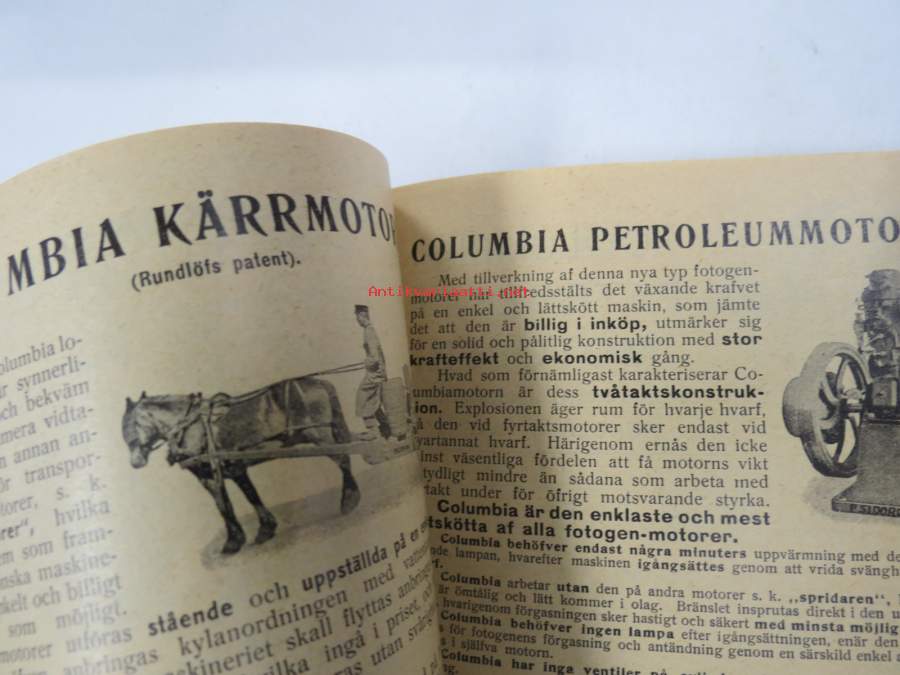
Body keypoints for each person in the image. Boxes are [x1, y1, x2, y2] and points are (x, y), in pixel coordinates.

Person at [354, 305, 390, 441]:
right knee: (374, 401)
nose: (357, 320)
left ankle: (373, 430)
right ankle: (386, 427)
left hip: (375, 374)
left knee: (362, 397)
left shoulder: (369, 331)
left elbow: (374, 358)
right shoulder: (369, 330)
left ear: (362, 316)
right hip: (377, 373)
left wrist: (366, 362)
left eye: (357, 317)